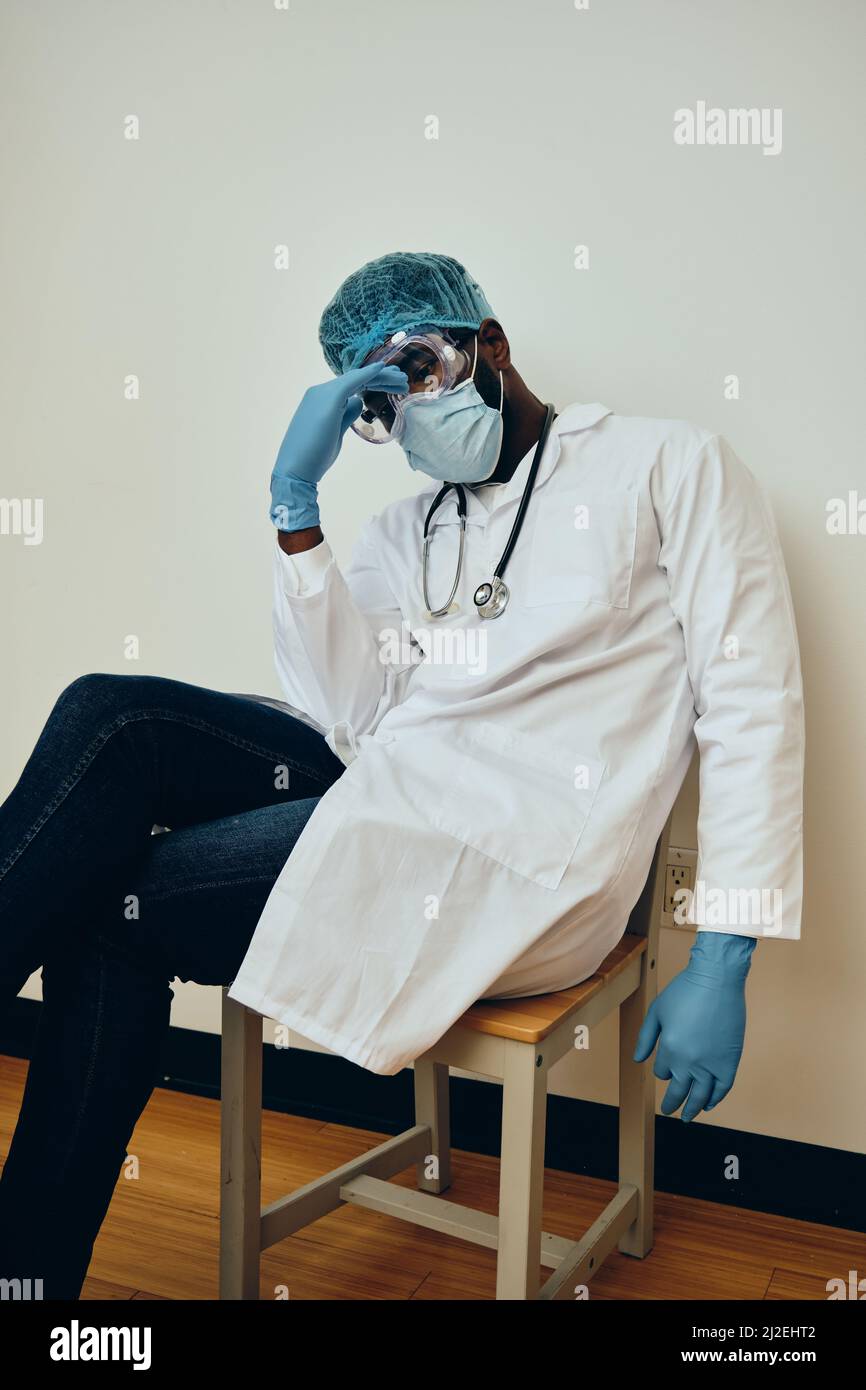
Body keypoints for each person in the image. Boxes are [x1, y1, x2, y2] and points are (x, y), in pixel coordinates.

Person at [0, 250, 804, 1299]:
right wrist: (296, 508)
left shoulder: (669, 465)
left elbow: (751, 698)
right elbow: (352, 714)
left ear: (489, 346)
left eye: (417, 366)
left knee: (109, 910)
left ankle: (22, 1281)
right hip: (390, 793)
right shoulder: (405, 526)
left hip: (529, 853)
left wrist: (724, 953)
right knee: (113, 711)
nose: (410, 413)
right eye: (380, 399)